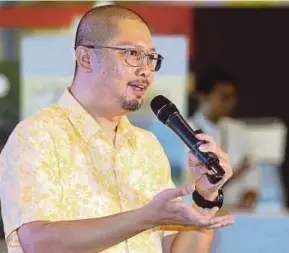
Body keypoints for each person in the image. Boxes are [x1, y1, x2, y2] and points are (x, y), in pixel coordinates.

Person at [0, 5, 233, 253]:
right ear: (86, 58)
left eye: (151, 58)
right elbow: (40, 244)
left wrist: (206, 198)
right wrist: (146, 217)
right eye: (132, 53)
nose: (145, 71)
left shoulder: (147, 146)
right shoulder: (37, 136)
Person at [185, 66, 260, 210]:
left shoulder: (240, 130)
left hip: (236, 213)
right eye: (224, 97)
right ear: (202, 96)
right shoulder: (184, 131)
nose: (231, 103)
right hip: (195, 210)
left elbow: (252, 177)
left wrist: (249, 197)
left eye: (233, 97)